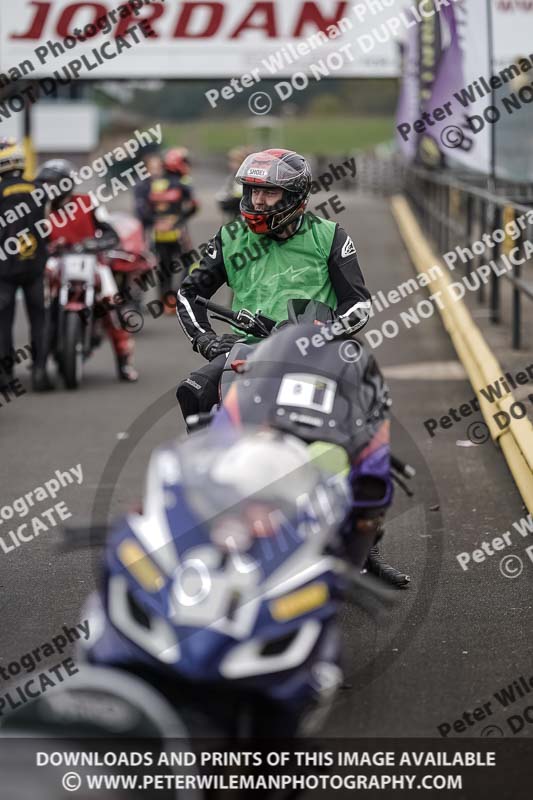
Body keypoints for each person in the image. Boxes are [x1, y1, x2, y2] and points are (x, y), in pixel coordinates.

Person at [176, 147, 408, 587]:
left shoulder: (330, 236)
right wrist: (205, 339)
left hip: (314, 352)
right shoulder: (230, 238)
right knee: (194, 392)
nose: (257, 201)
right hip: (247, 352)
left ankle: (367, 546)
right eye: (252, 192)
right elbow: (188, 294)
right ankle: (208, 516)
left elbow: (358, 304)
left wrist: (326, 332)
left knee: (362, 423)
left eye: (268, 193)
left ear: (296, 197)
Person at [37, 159, 138, 382]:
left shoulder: (88, 202)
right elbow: (36, 239)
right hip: (56, 263)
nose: (47, 188)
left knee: (112, 305)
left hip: (92, 261)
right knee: (41, 305)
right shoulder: (41, 209)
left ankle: (124, 361)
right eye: (44, 183)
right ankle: (42, 360)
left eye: (52, 183)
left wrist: (94, 243)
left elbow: (111, 233)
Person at [0, 138, 53, 391]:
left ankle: (6, 377)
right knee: (39, 320)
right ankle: (40, 371)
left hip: (4, 269)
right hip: (35, 266)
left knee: (3, 324)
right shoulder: (39, 190)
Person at [137, 147, 199, 313]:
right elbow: (193, 205)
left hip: (161, 233)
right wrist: (177, 220)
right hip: (172, 233)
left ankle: (167, 300)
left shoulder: (154, 183)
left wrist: (157, 221)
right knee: (183, 264)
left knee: (165, 267)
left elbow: (144, 209)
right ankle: (176, 298)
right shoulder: (181, 182)